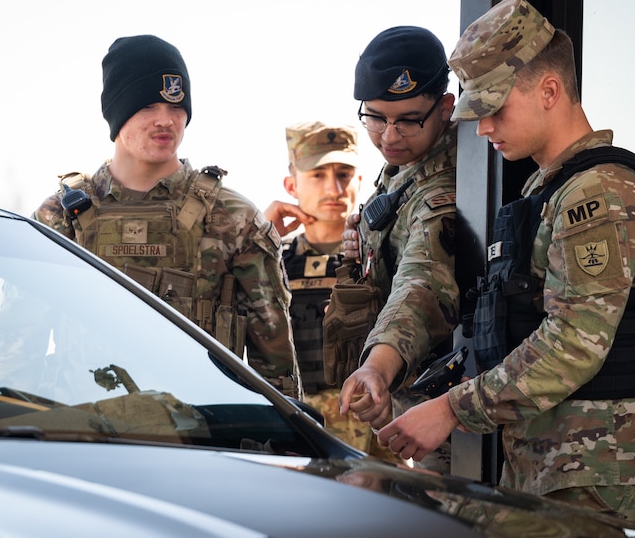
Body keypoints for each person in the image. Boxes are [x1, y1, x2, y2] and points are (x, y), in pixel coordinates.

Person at [374, 0, 635, 536]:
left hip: (604, 475)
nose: (483, 128)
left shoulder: (599, 196)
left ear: (550, 91)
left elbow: (572, 345)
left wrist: (450, 410)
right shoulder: (550, 191)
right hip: (556, 471)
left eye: (496, 109)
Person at [29, 34, 301, 399]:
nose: (166, 121)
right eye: (147, 107)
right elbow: (21, 341)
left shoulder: (233, 217)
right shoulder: (58, 218)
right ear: (117, 110)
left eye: (176, 107)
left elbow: (276, 364)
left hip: (201, 438)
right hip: (83, 434)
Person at [335, 26, 462, 473]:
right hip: (414, 411)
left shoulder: (443, 189)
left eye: (408, 119)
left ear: (445, 109)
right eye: (375, 117)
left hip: (448, 423)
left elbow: (422, 284)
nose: (389, 135)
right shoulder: (406, 170)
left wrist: (377, 368)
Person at [264, 120, 400, 461]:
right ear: (291, 185)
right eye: (318, 175)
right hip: (297, 428)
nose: (333, 188)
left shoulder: (384, 257)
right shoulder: (272, 260)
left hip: (376, 429)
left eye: (343, 174)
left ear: (358, 180)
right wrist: (260, 236)